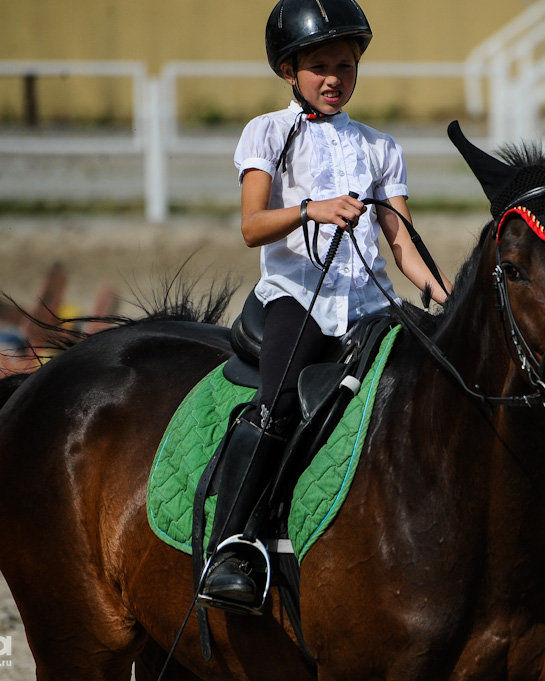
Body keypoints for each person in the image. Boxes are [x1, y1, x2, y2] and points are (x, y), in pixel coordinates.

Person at [199, 0, 450, 610]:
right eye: (319, 66)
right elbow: (252, 227)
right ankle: (234, 545)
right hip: (298, 300)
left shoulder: (380, 146)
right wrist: (312, 209)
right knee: (278, 402)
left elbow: (400, 243)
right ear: (290, 70)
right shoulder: (267, 132)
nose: (334, 78)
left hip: (372, 305)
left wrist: (441, 295)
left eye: (345, 64)